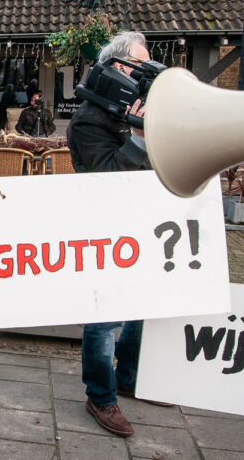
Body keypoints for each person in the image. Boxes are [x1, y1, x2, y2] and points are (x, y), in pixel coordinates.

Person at [67, 31, 169, 438]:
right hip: (102, 230)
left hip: (140, 224)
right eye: (135, 67)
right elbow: (109, 176)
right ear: (117, 69)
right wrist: (141, 137)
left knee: (140, 307)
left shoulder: (128, 112)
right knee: (103, 318)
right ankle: (100, 394)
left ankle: (128, 376)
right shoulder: (88, 121)